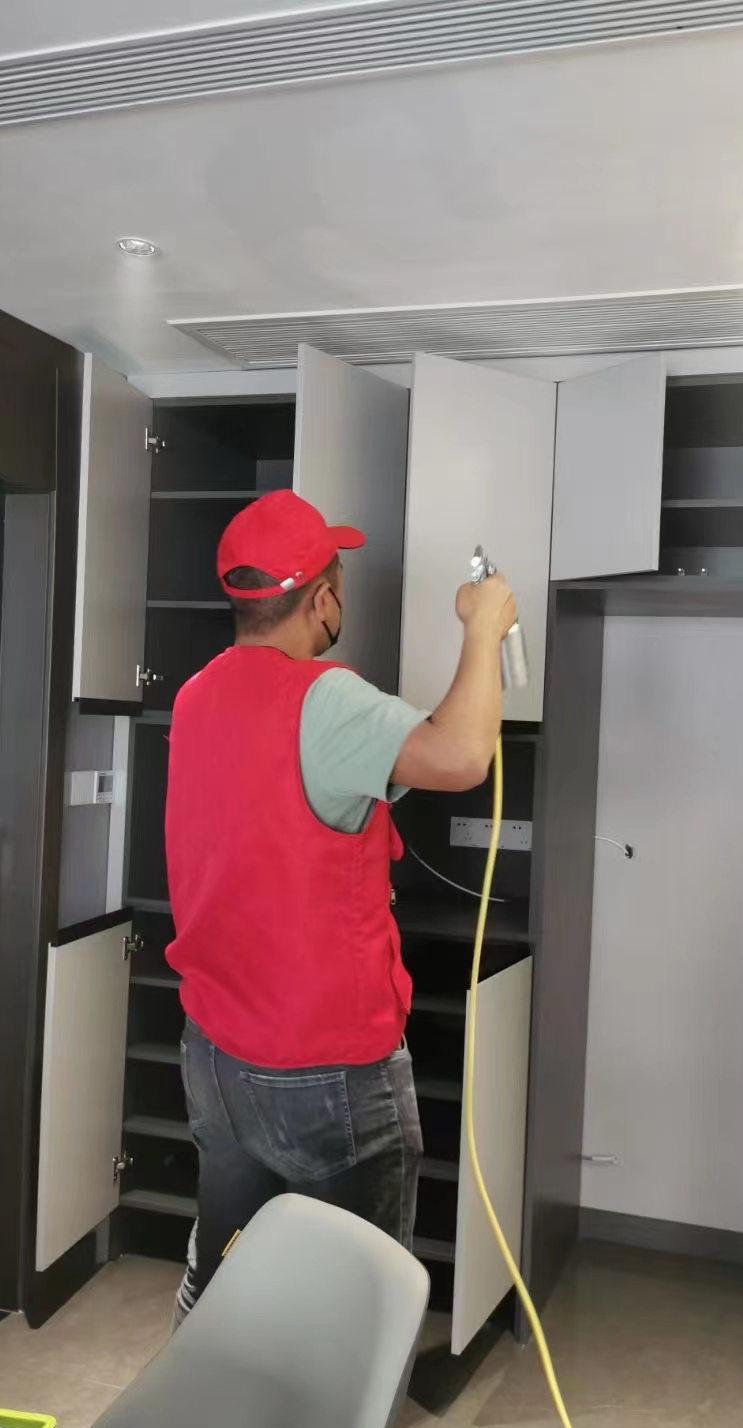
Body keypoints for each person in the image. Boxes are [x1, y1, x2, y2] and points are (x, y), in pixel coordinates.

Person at [164, 488, 515, 1321]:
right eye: (340, 581)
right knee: (355, 1316)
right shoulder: (323, 697)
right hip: (326, 1069)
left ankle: (207, 1379)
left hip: (215, 1053)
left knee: (225, 1277)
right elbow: (463, 755)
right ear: (321, 599)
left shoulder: (195, 694)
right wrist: (483, 629)